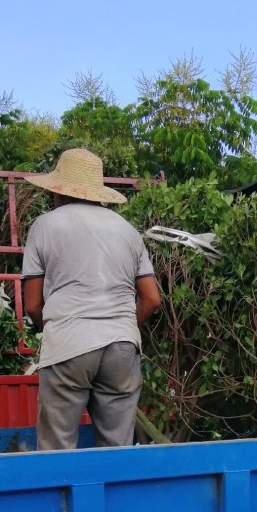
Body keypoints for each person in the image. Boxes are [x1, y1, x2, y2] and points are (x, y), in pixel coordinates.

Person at [21, 148, 161, 450]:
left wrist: (60, 329)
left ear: (58, 191)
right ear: (98, 192)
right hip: (122, 349)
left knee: (57, 452)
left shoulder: (44, 226)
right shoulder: (127, 231)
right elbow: (151, 298)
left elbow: (32, 305)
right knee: (117, 450)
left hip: (69, 344)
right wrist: (119, 328)